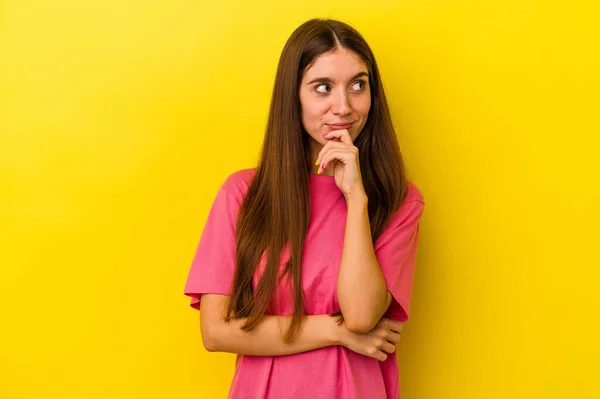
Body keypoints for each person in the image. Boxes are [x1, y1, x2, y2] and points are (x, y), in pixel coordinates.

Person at [184, 18, 425, 399]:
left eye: (358, 86)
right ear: (293, 96)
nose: (343, 107)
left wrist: (356, 198)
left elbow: (362, 315)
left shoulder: (398, 200)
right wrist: (337, 331)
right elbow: (216, 331)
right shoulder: (243, 194)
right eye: (323, 88)